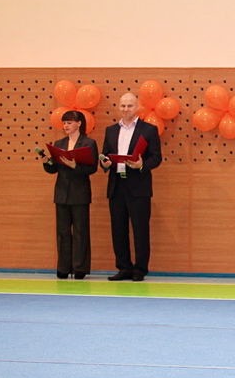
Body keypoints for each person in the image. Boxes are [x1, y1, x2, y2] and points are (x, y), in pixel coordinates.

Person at [99, 93, 162, 281]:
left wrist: (142, 165)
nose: (125, 109)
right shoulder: (111, 130)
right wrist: (105, 163)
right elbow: (105, 155)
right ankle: (124, 267)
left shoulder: (149, 130)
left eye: (129, 106)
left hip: (138, 187)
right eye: (123, 106)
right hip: (116, 185)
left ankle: (140, 269)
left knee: (140, 229)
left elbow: (156, 157)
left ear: (137, 107)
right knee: (118, 229)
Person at [40, 110, 98, 279]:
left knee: (80, 231)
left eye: (69, 122)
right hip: (62, 193)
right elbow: (54, 169)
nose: (66, 125)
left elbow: (92, 168)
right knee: (63, 232)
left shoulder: (88, 143)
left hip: (80, 193)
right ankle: (64, 267)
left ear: (79, 123)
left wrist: (75, 166)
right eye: (64, 122)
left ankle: (79, 268)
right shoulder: (59, 143)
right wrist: (47, 163)